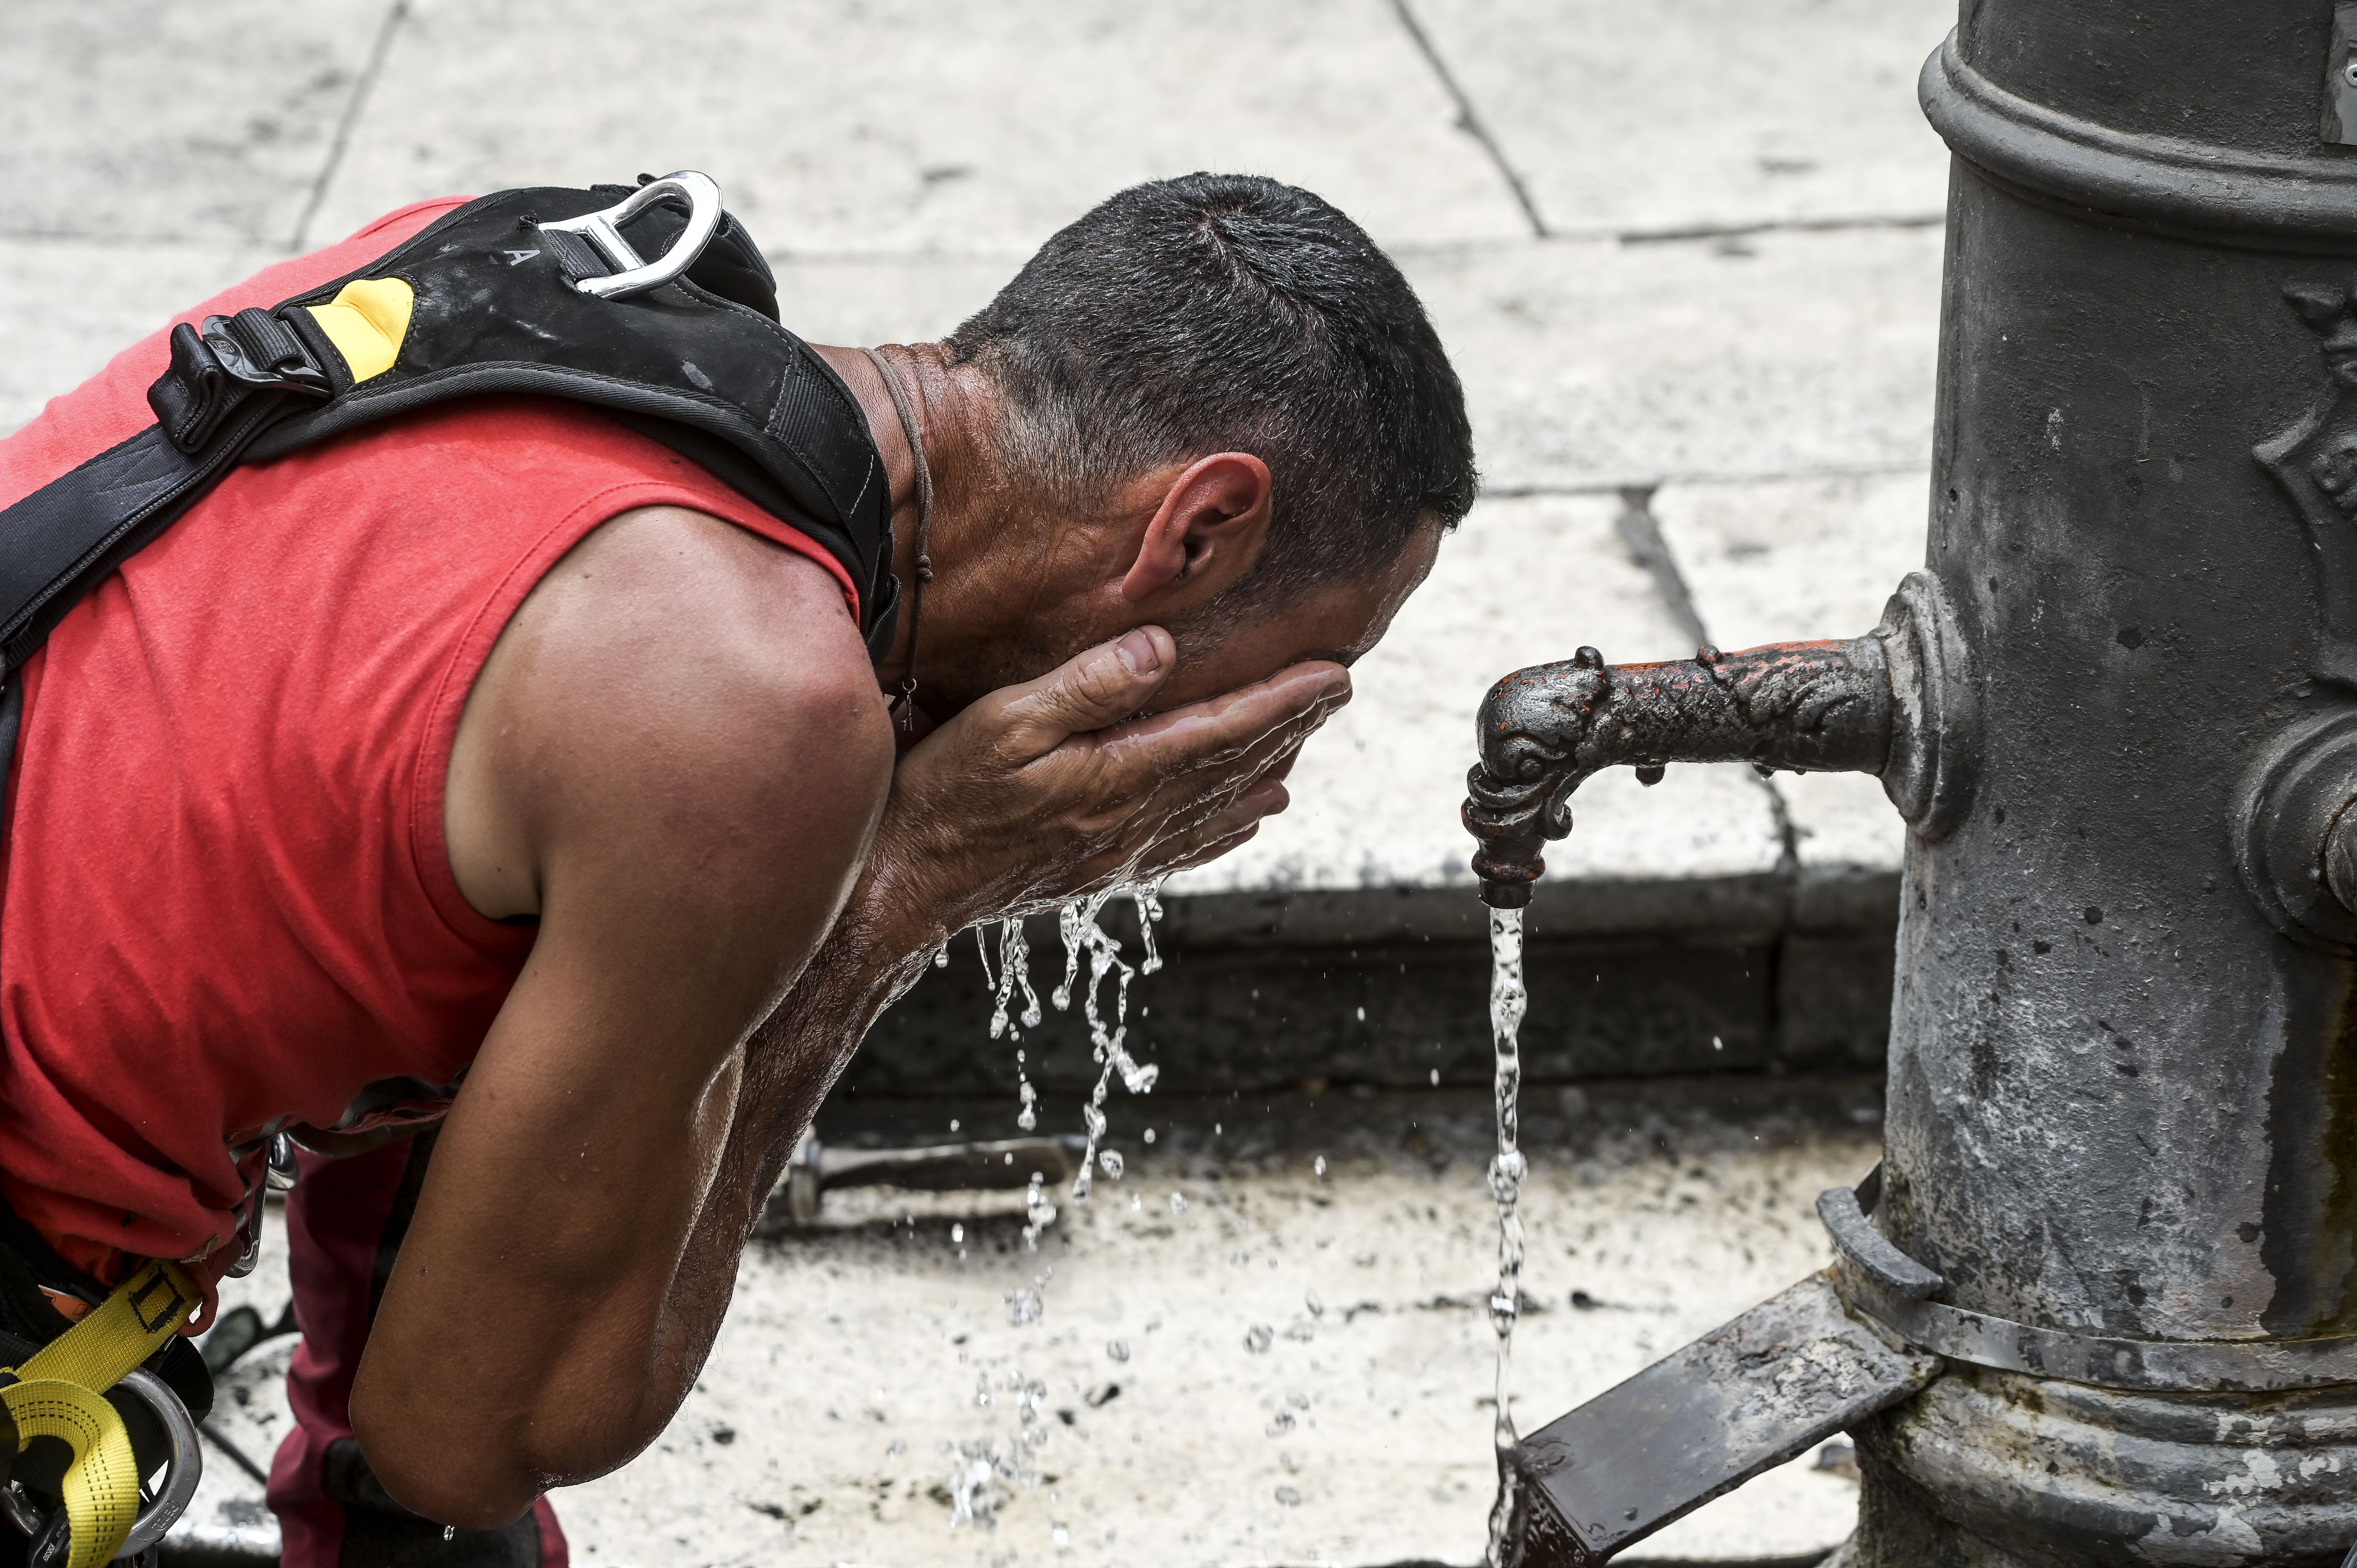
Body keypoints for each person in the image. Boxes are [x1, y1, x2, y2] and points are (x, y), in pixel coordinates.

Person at [0, 172, 1475, 1566]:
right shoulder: (756, 709)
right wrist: (899, 897)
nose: (1271, 744)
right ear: (1199, 531)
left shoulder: (563, 269)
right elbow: (469, 1441)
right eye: (1307, 675)